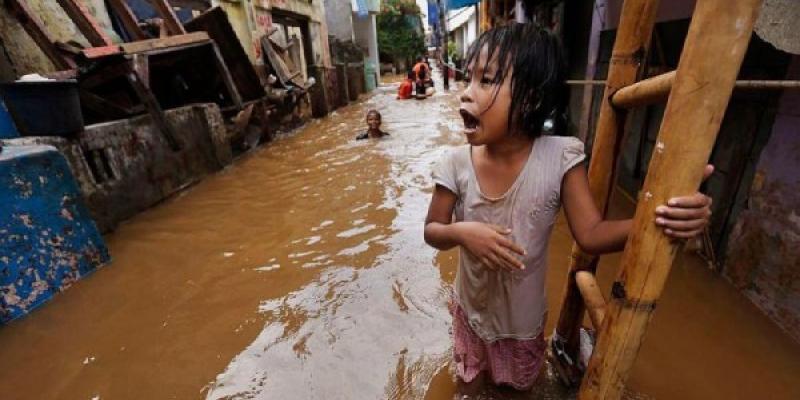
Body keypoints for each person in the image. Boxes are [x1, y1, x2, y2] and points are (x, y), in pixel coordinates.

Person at [423, 23, 713, 393]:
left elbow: (591, 235)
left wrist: (658, 217)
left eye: (485, 80)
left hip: (521, 325)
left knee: (517, 391)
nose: (465, 93)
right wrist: (462, 233)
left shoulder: (560, 157)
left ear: (529, 98)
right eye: (469, 79)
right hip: (470, 311)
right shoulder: (455, 162)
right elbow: (433, 230)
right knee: (469, 384)